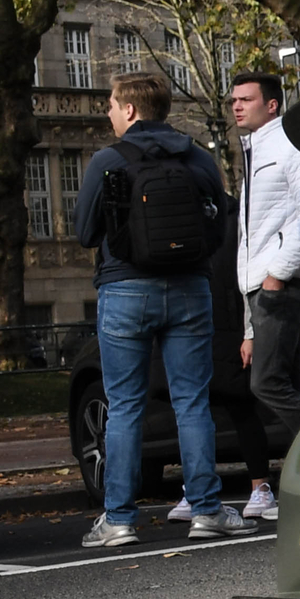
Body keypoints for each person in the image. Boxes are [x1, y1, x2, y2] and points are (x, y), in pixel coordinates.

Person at [72, 71, 253, 544]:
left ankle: (119, 519)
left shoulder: (106, 160)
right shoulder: (197, 156)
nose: (109, 112)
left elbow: (85, 232)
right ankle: (207, 511)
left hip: (125, 290)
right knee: (192, 402)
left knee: (126, 406)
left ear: (130, 110)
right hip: (191, 289)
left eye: (112, 105)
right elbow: (220, 225)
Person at [230, 71, 300, 518]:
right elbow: (251, 236)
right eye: (233, 100)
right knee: (288, 382)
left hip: (285, 286)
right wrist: (250, 326)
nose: (236, 106)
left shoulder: (293, 144)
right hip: (265, 290)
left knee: (267, 382)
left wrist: (277, 275)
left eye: (246, 99)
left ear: (271, 105)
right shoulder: (254, 151)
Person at [167, 206, 273, 524]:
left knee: (239, 405)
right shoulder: (186, 218)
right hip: (195, 320)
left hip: (226, 322)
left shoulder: (231, 216)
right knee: (196, 409)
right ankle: (196, 488)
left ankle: (260, 486)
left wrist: (250, 331)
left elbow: (244, 275)